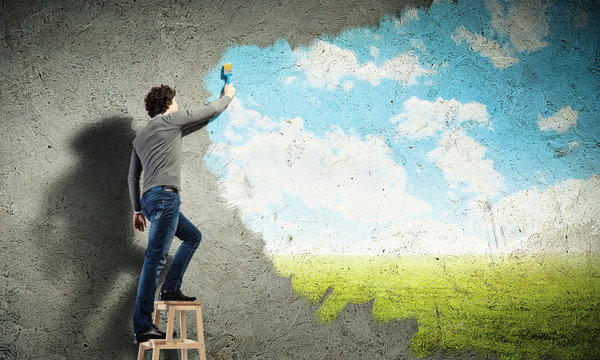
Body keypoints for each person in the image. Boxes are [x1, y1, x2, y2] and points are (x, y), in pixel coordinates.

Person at [128, 82, 236, 343]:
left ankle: (171, 289)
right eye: (175, 101)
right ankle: (142, 326)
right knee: (154, 261)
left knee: (192, 236)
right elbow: (209, 110)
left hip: (150, 201)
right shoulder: (171, 120)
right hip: (166, 198)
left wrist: (137, 210)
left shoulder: (140, 137)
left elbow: (132, 177)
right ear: (167, 104)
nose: (178, 105)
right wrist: (228, 95)